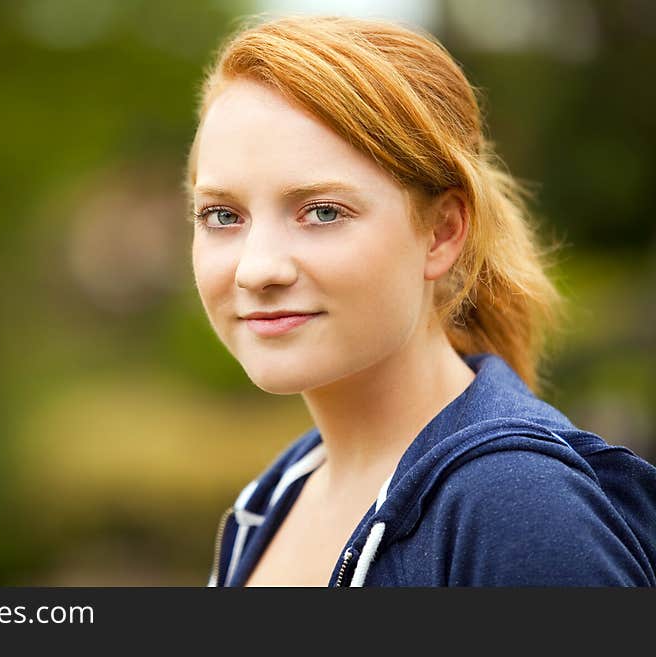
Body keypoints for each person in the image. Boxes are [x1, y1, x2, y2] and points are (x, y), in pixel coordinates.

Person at [184, 15, 656, 586]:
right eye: (222, 216)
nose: (257, 269)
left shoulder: (518, 510)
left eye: (323, 211)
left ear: (441, 233)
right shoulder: (275, 497)